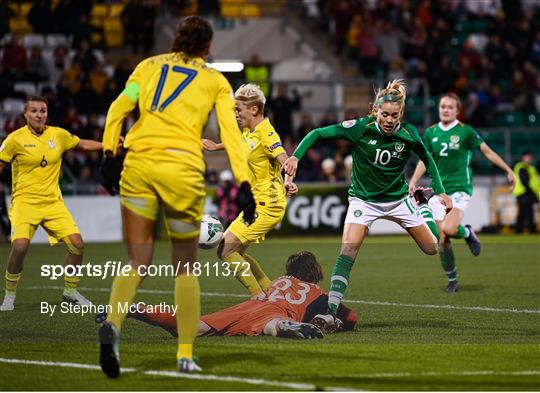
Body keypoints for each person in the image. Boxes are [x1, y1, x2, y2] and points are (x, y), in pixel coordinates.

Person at [98, 16, 255, 377]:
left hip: (137, 165)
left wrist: (109, 154)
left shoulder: (147, 67)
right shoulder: (214, 80)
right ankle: (185, 355)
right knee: (184, 266)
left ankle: (114, 324)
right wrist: (244, 183)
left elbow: (120, 107)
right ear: (207, 47)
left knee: (137, 260)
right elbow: (230, 134)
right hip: (181, 169)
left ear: (176, 40)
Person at [283, 79, 452, 319]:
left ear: (400, 113)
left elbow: (428, 158)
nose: (389, 120)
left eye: (395, 115)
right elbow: (317, 133)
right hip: (364, 202)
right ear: (375, 110)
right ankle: (330, 312)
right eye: (385, 114)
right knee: (348, 251)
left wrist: (440, 189)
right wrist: (296, 156)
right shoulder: (359, 127)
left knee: (432, 248)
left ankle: (423, 206)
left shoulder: (409, 133)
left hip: (398, 200)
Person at [0, 96, 106, 311]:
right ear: (26, 115)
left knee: (77, 244)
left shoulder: (57, 134)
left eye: (43, 111)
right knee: (19, 246)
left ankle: (70, 292)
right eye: (34, 111)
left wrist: (108, 145)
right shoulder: (14, 139)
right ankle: (9, 295)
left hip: (52, 203)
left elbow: (82, 144)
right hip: (25, 202)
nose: (39, 115)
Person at [409, 93, 516, 293]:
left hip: (460, 188)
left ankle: (467, 233)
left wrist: (507, 169)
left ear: (458, 110)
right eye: (443, 106)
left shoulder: (466, 131)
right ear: (438, 109)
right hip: (439, 191)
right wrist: (414, 180)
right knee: (442, 238)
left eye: (450, 107)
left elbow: (487, 151)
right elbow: (425, 160)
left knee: (449, 229)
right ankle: (453, 280)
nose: (446, 110)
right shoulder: (431, 133)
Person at [202, 83, 297, 298]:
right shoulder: (250, 130)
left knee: (225, 250)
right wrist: (216, 146)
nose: (235, 114)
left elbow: (284, 159)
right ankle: (271, 293)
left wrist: (289, 179)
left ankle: (258, 298)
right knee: (235, 252)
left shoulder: (267, 133)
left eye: (238, 109)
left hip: (269, 205)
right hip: (257, 204)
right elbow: (243, 142)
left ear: (254, 109)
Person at [124, 252, 357, 338]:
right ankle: (286, 326)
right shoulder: (319, 294)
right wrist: (337, 320)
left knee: (192, 327)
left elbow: (255, 270)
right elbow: (352, 318)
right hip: (277, 312)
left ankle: (137, 310)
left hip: (248, 306)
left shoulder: (279, 281)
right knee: (271, 325)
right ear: (315, 272)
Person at [513, 150, 539, 234]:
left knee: (527, 213)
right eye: (527, 156)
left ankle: (522, 230)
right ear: (523, 157)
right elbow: (524, 181)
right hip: (523, 193)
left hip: (528, 193)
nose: (529, 158)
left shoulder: (531, 168)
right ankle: (522, 230)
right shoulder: (521, 167)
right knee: (525, 213)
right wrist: (532, 193)